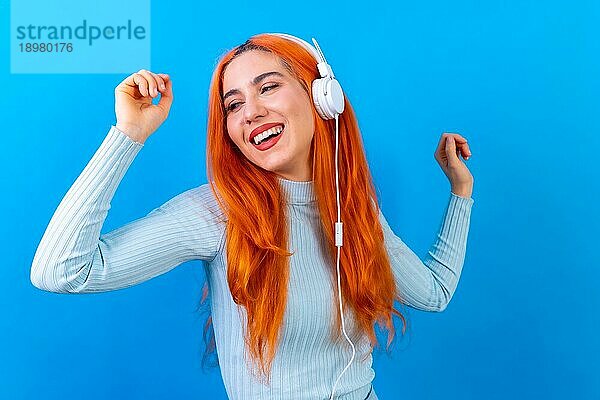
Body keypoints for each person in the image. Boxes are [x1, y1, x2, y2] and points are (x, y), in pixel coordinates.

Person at [30, 33, 475, 400]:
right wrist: (127, 135)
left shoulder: (353, 211)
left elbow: (433, 293)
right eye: (233, 104)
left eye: (268, 87)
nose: (252, 112)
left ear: (322, 97)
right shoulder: (217, 213)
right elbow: (61, 271)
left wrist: (461, 192)